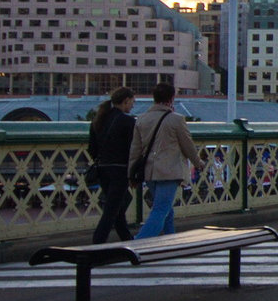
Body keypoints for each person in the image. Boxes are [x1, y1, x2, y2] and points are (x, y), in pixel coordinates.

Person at [130, 82, 204, 239]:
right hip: (169, 171)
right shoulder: (176, 119)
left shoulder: (142, 119)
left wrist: (131, 174)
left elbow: (135, 150)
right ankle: (139, 243)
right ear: (171, 98)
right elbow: (187, 146)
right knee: (161, 209)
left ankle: (171, 239)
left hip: (149, 172)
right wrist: (198, 163)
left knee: (166, 209)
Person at [86, 87, 137, 244]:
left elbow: (91, 149)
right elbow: (133, 149)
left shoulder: (99, 120)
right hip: (120, 169)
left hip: (102, 169)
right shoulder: (127, 121)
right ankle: (98, 242)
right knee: (112, 210)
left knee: (116, 206)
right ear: (125, 101)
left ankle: (127, 240)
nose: (132, 106)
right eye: (132, 102)